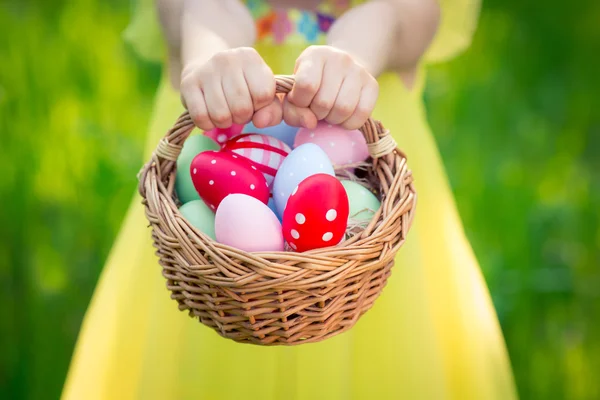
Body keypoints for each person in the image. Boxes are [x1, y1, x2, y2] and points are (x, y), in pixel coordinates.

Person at [62, 0, 517, 398]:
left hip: (357, 128)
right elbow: (181, 7)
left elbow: (414, 16)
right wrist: (208, 54)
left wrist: (355, 54)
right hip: (218, 124)